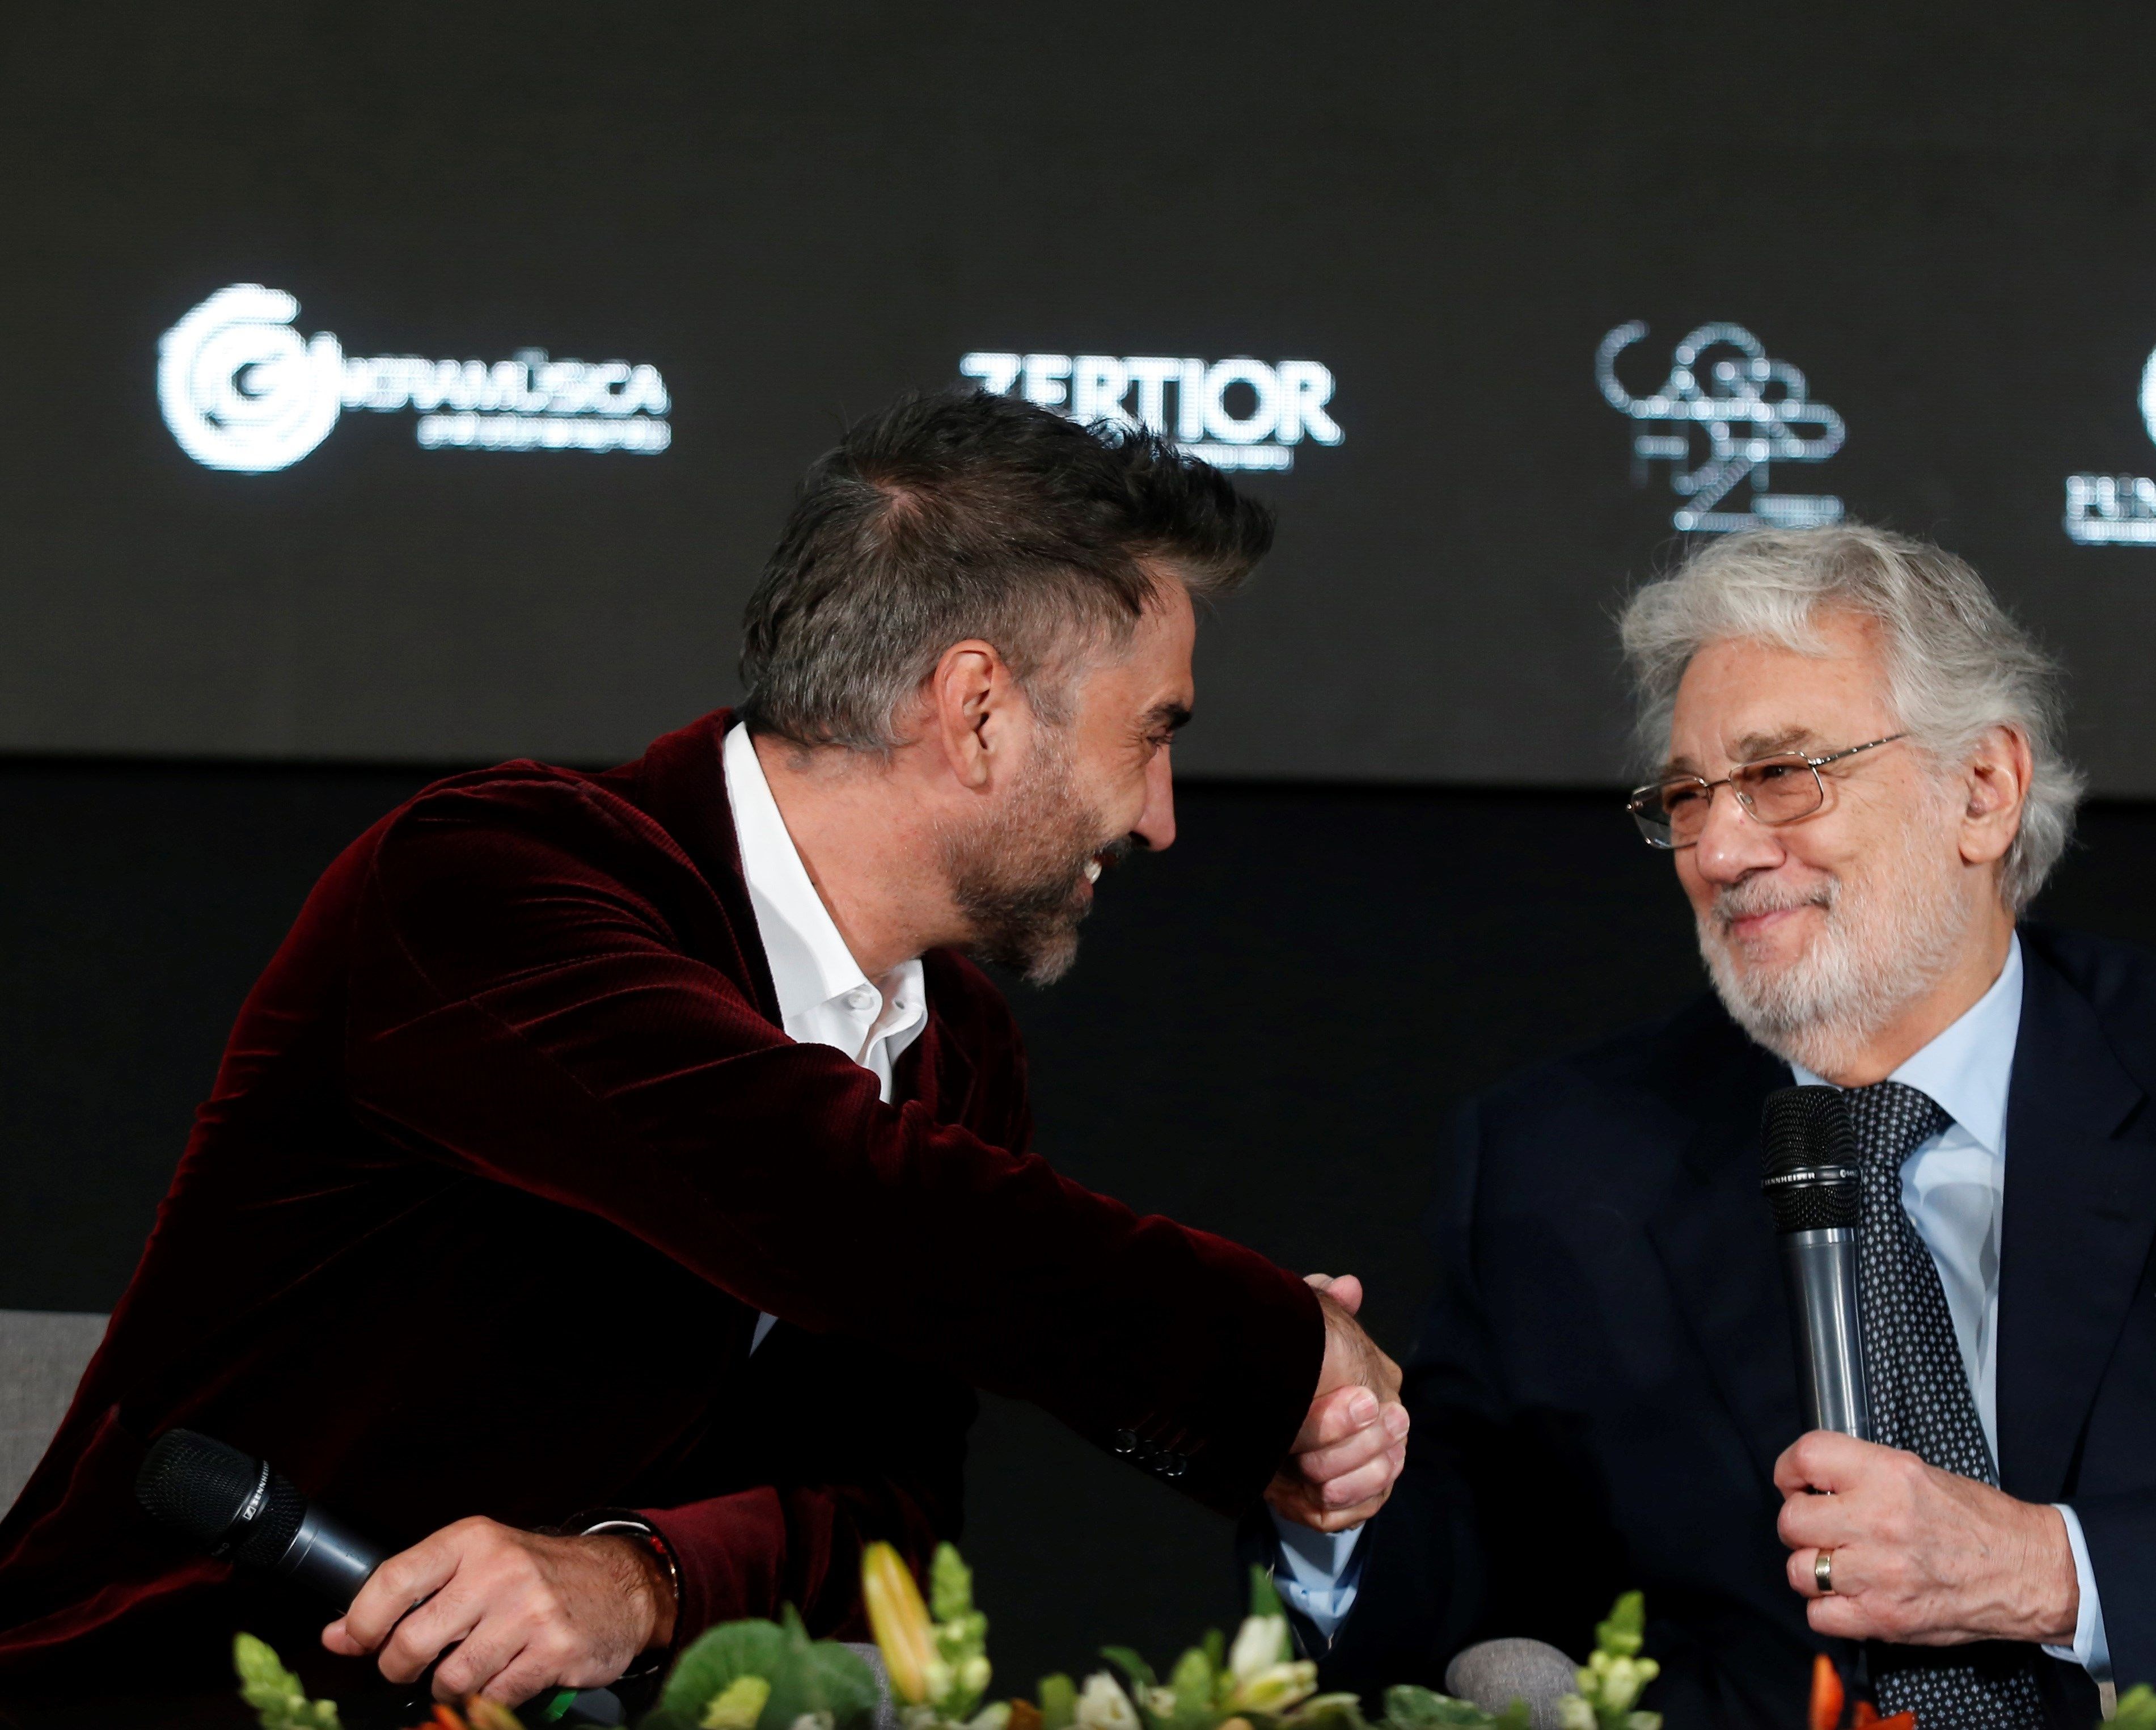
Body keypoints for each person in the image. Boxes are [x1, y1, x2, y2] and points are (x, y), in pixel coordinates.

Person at [0, 393, 1409, 1715]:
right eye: (1149, 733)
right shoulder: (489, 881)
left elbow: (883, 1513)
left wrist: (638, 1575)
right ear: (976, 708)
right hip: (181, 1688)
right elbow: (830, 1200)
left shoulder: (955, 1048)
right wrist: (1275, 1353)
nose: (1159, 817)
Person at [1267, 525, 2156, 1730]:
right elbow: (1444, 1595)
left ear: (1982, 791)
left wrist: (2040, 1568)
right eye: (1685, 795)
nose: (1719, 848)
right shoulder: (1564, 1160)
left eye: (1781, 775)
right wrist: (1338, 1485)